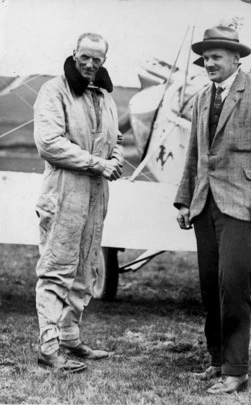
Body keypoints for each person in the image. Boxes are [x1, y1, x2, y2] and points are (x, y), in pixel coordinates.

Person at [174, 25, 251, 394]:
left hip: (243, 207)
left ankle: (236, 371)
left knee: (233, 287)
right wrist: (184, 200)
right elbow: (194, 154)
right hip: (205, 205)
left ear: (236, 58)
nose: (209, 63)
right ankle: (217, 361)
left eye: (216, 57)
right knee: (210, 288)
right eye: (205, 58)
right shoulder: (202, 98)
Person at [34, 32, 123, 373]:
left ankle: (70, 337)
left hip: (97, 191)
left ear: (103, 61)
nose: (89, 64)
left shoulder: (104, 94)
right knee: (57, 268)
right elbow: (49, 143)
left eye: (96, 59)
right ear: (74, 54)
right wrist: (97, 163)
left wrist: (114, 159)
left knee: (85, 266)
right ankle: (49, 346)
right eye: (84, 57)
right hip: (64, 188)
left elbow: (115, 137)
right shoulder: (54, 91)